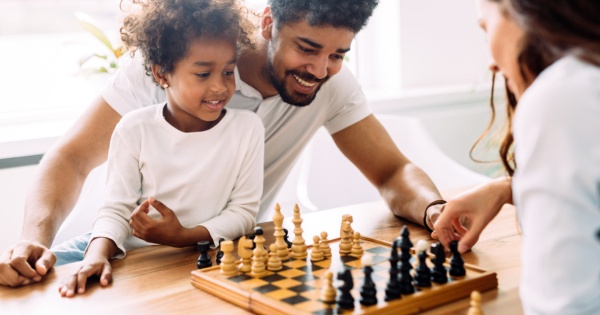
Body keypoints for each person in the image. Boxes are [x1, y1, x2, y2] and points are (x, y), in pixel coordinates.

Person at [0, 0, 446, 288]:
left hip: (219, 257)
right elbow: (72, 157)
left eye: (338, 54)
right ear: (269, 23)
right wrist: (31, 240)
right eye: (307, 48)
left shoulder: (332, 83)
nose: (320, 69)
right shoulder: (178, 58)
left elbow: (392, 171)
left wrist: (434, 208)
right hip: (122, 249)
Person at [54, 0, 264, 297]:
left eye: (228, 72)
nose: (220, 87)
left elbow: (243, 213)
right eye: (203, 74)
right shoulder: (133, 128)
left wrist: (184, 236)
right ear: (162, 74)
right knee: (35, 269)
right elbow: (116, 210)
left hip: (192, 255)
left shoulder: (247, 129)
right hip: (120, 248)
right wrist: (95, 255)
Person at [434, 0, 600, 313]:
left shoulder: (562, 96)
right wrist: (509, 188)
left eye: (486, 28)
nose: (492, 64)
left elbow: (563, 305)